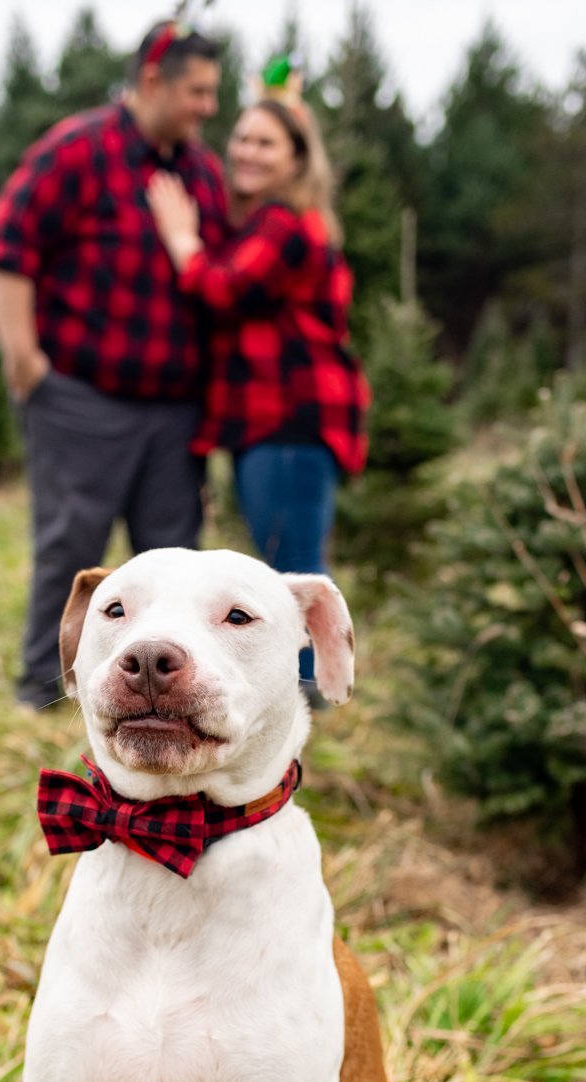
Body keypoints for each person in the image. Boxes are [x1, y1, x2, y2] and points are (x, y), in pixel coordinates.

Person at [0, 22, 229, 710]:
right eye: (196, 91)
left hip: (174, 410)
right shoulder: (78, 150)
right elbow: (5, 249)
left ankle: (166, 696)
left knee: (174, 561)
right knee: (70, 550)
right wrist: (23, 361)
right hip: (81, 399)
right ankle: (45, 688)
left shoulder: (201, 172)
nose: (208, 107)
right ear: (154, 79)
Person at [147, 64, 370, 698]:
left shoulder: (287, 223)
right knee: (281, 561)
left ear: (299, 158)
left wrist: (182, 240)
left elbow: (224, 290)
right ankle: (299, 697)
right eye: (241, 137)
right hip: (267, 421)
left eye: (266, 142)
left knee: (291, 573)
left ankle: (308, 705)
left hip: (291, 418)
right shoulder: (266, 223)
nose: (246, 150)